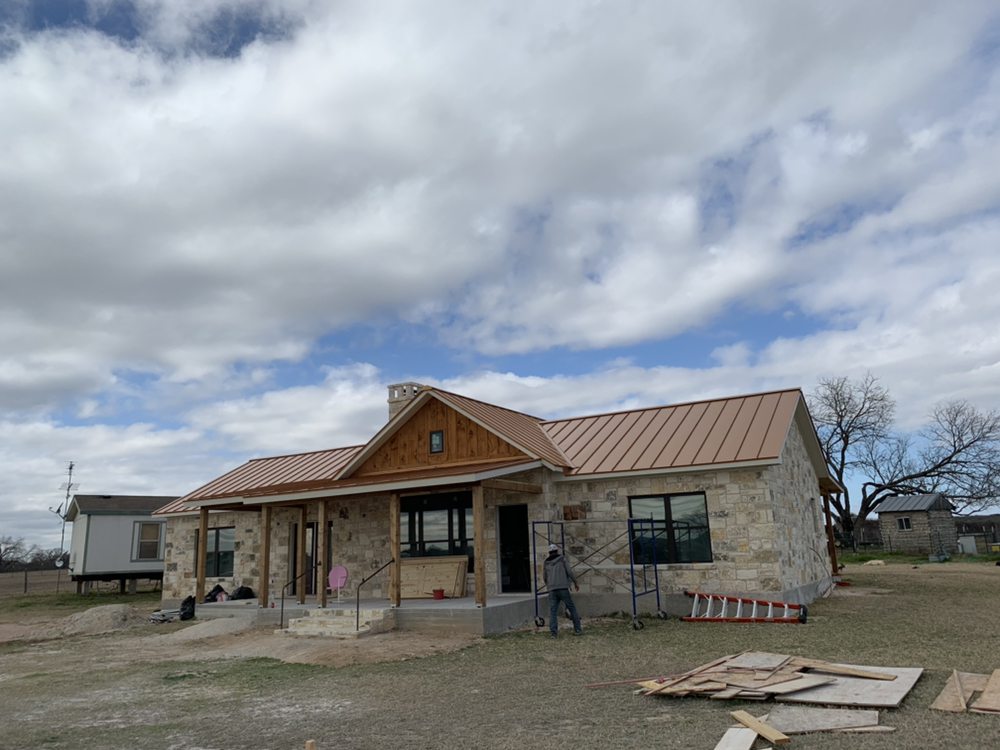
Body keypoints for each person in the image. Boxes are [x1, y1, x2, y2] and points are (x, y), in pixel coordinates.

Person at [543, 543, 582, 637]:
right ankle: (577, 629)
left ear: (549, 552)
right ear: (557, 551)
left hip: (552, 589)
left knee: (553, 611)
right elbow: (569, 571)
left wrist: (549, 585)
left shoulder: (546, 562)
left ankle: (553, 633)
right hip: (563, 588)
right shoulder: (562, 559)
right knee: (571, 608)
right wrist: (575, 582)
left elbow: (545, 577)